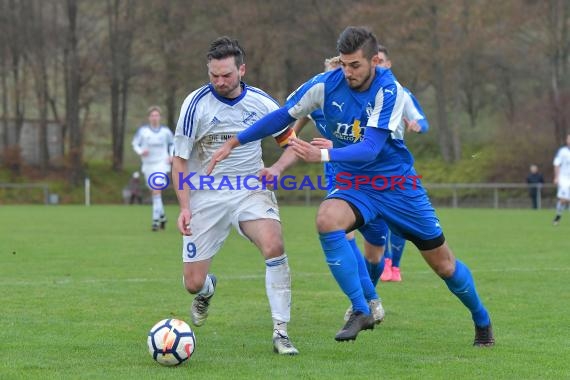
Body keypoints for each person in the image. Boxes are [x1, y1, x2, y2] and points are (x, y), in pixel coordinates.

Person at [207, 26, 494, 347]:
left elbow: (371, 148)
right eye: (343, 64)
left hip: (397, 186)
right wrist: (235, 140)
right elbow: (282, 117)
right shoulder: (325, 86)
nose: (348, 72)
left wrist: (322, 154)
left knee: (444, 265)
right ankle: (361, 308)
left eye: (355, 65)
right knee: (327, 219)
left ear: (374, 61)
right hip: (355, 184)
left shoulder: (390, 90)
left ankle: (482, 320)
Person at [171, 37, 298, 355]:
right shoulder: (195, 104)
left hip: (250, 189)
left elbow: (291, 142)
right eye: (213, 75)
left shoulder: (262, 103)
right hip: (206, 195)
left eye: (226, 75)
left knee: (274, 244)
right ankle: (208, 289)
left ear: (242, 69)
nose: (219, 81)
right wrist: (184, 207)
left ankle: (281, 331)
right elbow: (179, 160)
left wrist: (279, 167)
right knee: (192, 283)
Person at [132, 106, 173, 231]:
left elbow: (173, 143)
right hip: (148, 164)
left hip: (161, 163)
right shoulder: (143, 131)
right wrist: (140, 151)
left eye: (157, 115)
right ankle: (163, 216)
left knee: (156, 189)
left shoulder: (165, 131)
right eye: (152, 115)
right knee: (154, 192)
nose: (155, 118)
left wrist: (171, 156)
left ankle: (155, 221)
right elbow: (135, 143)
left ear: (160, 117)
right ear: (149, 118)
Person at [553, 134, 570, 225]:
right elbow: (556, 164)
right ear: (567, 140)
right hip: (564, 178)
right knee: (563, 199)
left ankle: (557, 218)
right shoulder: (562, 151)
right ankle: (558, 216)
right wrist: (556, 177)